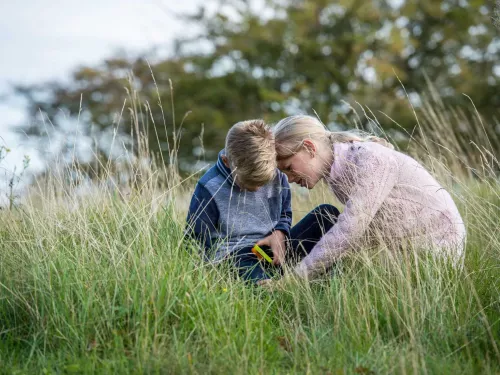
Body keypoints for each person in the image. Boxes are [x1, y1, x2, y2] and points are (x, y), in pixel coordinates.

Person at [272, 115, 466, 279]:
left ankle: (274, 276)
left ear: (309, 148)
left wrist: (298, 278)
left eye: (289, 167)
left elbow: (350, 229)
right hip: (403, 253)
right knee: (324, 218)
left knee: (329, 226)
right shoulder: (338, 173)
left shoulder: (370, 159)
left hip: (436, 252)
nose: (288, 179)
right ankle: (266, 267)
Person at [185, 119, 339, 284]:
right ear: (227, 162)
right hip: (236, 257)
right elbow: (196, 239)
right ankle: (267, 287)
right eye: (248, 182)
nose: (257, 189)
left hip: (275, 250)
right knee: (242, 265)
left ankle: (321, 278)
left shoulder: (278, 175)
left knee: (327, 215)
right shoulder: (210, 186)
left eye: (262, 182)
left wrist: (280, 232)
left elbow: (284, 213)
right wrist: (204, 273)